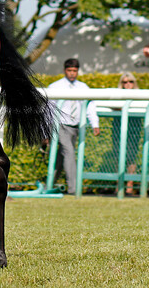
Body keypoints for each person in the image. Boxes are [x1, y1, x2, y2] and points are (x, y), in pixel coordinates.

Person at [48, 58, 100, 195]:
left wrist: (95, 124)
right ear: (65, 70)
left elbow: (90, 106)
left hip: (75, 125)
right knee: (69, 152)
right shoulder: (55, 86)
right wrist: (45, 130)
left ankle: (49, 184)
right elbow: (48, 109)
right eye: (70, 70)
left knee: (62, 156)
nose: (72, 73)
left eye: (74, 71)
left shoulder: (83, 87)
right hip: (59, 125)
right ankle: (73, 189)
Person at [110, 73, 142, 194]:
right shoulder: (118, 95)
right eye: (125, 82)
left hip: (134, 129)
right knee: (118, 156)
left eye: (130, 82)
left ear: (134, 83)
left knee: (131, 157)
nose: (128, 84)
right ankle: (119, 185)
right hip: (118, 129)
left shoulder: (139, 95)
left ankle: (129, 186)